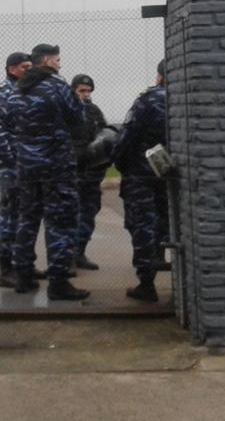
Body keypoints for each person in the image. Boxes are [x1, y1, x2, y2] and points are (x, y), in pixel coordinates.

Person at [7, 44, 89, 301]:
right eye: (58, 60)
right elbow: (78, 117)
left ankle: (23, 276)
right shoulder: (57, 86)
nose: (60, 64)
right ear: (48, 61)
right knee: (60, 222)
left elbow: (10, 123)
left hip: (27, 167)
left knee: (27, 219)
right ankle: (58, 282)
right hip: (56, 167)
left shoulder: (17, 90)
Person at [113, 59, 167, 302]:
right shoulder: (188, 97)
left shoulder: (150, 99)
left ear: (159, 76)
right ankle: (160, 256)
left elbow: (128, 136)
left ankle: (147, 283)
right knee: (166, 218)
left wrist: (121, 162)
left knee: (142, 224)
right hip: (169, 171)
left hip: (141, 172)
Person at [0, 52, 33, 288]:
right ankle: (6, 268)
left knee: (28, 218)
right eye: (25, 67)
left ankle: (25, 265)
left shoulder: (29, 91)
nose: (29, 70)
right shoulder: (1, 94)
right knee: (10, 217)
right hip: (13, 168)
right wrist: (11, 162)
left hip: (32, 165)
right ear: (13, 69)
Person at [69, 74, 108, 271]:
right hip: (72, 174)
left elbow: (104, 137)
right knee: (69, 216)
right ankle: (66, 258)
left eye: (88, 90)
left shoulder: (94, 112)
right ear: (73, 91)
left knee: (88, 214)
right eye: (82, 91)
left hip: (92, 175)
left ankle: (79, 253)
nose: (86, 94)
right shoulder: (67, 112)